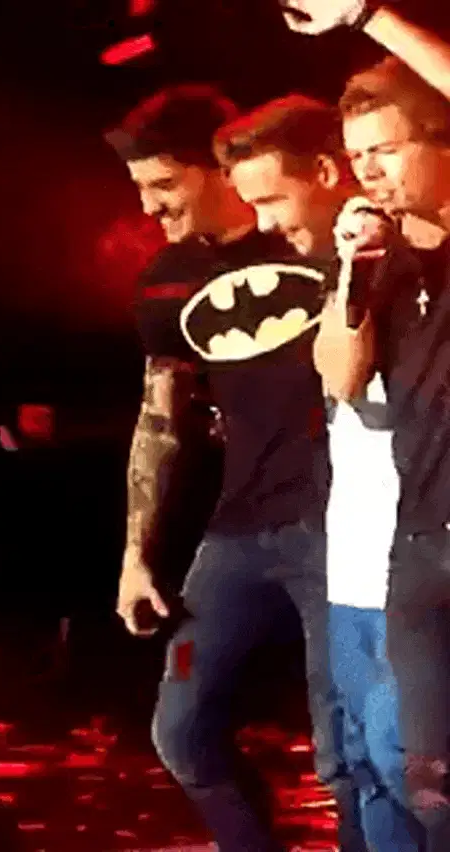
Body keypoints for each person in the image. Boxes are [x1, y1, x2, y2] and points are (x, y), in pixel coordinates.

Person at [108, 85, 363, 851]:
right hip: (239, 530)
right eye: (140, 187)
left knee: (346, 750)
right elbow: (161, 418)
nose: (149, 206)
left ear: (219, 169)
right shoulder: (165, 278)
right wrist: (137, 555)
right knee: (182, 732)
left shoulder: (314, 239)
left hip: (338, 526)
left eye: (165, 183)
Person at [216, 101, 422, 851]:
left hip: (411, 564)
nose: (265, 223)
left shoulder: (418, 256)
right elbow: (339, 378)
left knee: (407, 770)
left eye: (272, 199)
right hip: (351, 564)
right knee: (358, 768)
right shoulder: (334, 272)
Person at [278, 2, 450, 847]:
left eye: (386, 149)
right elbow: (340, 377)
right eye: (356, 157)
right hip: (418, 551)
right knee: (424, 779)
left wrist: (368, 13)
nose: (368, 172)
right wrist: (350, 273)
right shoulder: (381, 257)